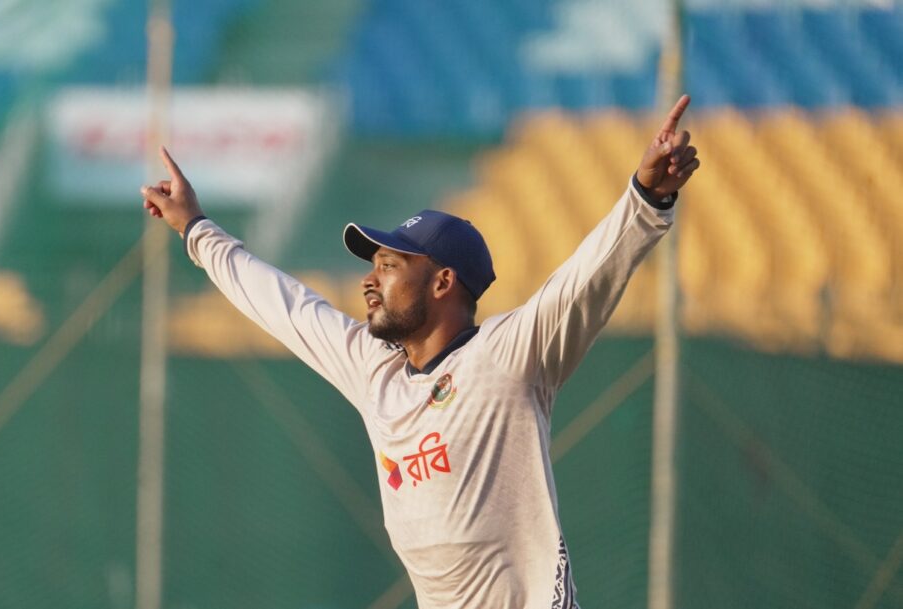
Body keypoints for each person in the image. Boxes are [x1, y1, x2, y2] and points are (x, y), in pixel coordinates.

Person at [141, 95, 700, 609]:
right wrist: (195, 227)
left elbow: (586, 280)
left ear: (442, 282)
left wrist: (647, 197)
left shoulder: (506, 356)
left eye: (388, 266)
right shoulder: (374, 370)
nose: (369, 281)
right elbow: (282, 304)